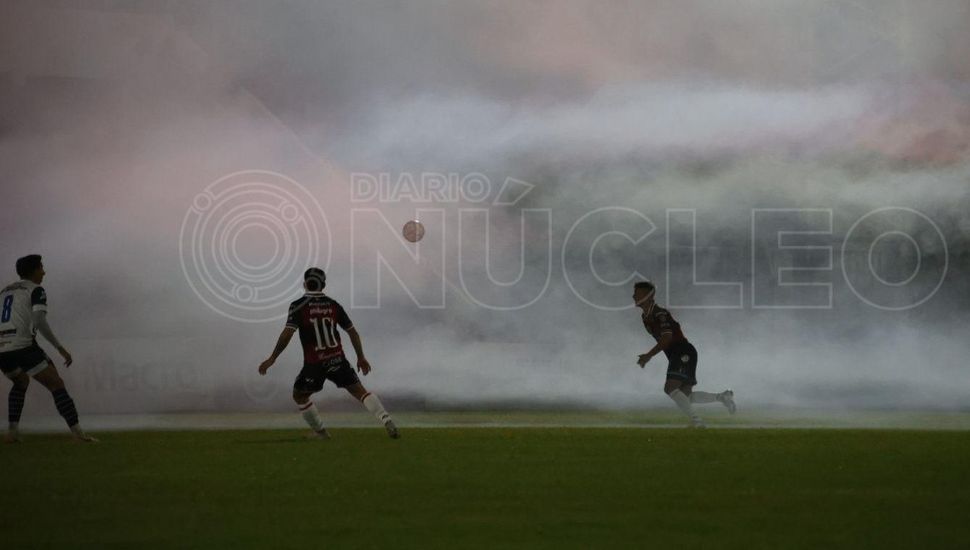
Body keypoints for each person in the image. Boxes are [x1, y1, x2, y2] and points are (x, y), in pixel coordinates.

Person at [258, 268, 399, 439]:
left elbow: (287, 333)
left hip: (314, 364)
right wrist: (360, 357)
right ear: (323, 285)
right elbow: (352, 332)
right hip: (337, 360)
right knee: (360, 391)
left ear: (304, 283)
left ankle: (321, 432)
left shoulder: (298, 306)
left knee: (300, 395)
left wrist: (272, 357)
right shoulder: (333, 305)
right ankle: (386, 419)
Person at [1, 255, 96, 442]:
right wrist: (60, 348)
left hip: (1, 349)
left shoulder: (4, 291)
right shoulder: (36, 290)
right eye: (41, 268)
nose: (44, 272)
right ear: (34, 270)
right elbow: (39, 320)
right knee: (56, 384)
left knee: (20, 381)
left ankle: (12, 433)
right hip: (22, 346)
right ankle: (79, 435)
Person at [633, 281, 735, 428]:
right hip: (679, 352)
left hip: (682, 351)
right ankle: (722, 397)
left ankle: (697, 421)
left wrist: (648, 355)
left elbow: (667, 338)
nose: (633, 296)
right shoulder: (646, 316)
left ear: (648, 296)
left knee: (670, 388)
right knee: (685, 395)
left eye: (637, 293)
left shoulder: (660, 314)